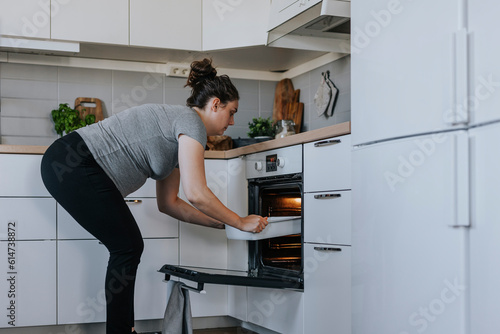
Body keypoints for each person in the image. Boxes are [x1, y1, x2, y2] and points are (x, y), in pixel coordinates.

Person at [40, 58, 268, 334]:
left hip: (70, 163)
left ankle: (122, 329)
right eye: (231, 112)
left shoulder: (180, 135)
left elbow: (169, 204)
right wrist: (239, 221)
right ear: (215, 104)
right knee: (127, 246)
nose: (232, 122)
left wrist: (218, 222)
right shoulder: (190, 123)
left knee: (126, 246)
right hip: (74, 162)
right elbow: (196, 193)